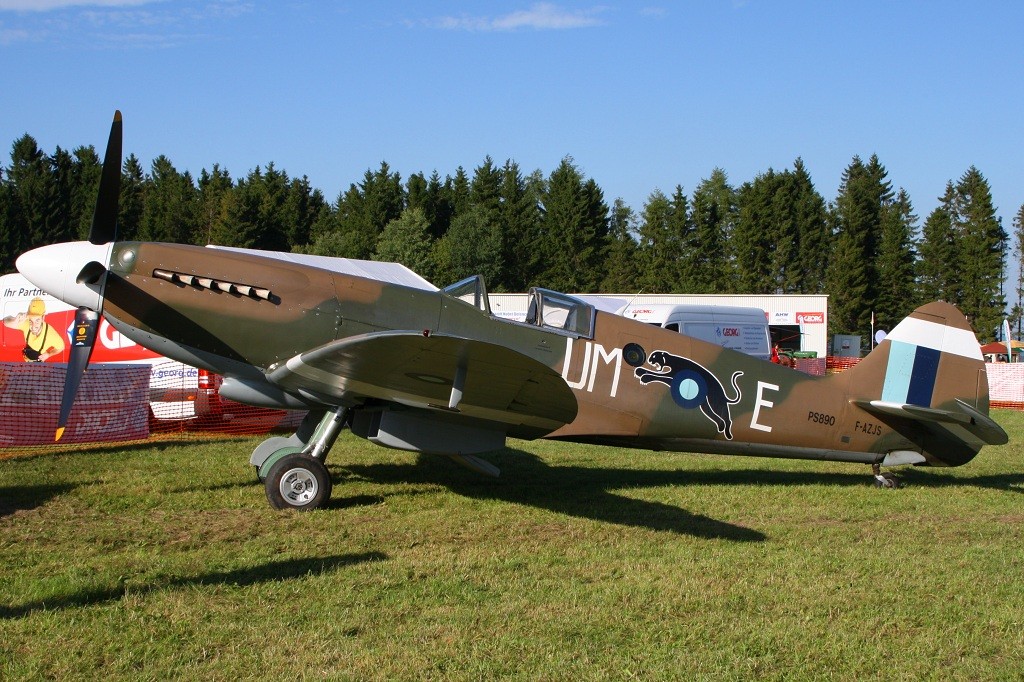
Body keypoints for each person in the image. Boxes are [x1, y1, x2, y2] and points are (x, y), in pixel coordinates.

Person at [3, 297, 66, 362]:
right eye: (31, 321)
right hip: (25, 361)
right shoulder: (26, 323)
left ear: (43, 317)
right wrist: (15, 320)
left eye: (37, 320)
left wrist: (49, 354)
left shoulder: (51, 335)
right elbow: (5, 322)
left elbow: (61, 347)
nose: (33, 326)